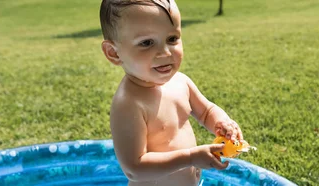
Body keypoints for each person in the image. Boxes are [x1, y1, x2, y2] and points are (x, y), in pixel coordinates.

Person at [99, 0, 244, 185]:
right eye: (147, 42)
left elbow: (206, 111)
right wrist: (190, 157)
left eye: (172, 39)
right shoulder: (128, 104)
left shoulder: (181, 82)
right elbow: (135, 169)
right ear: (114, 53)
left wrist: (223, 123)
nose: (165, 52)